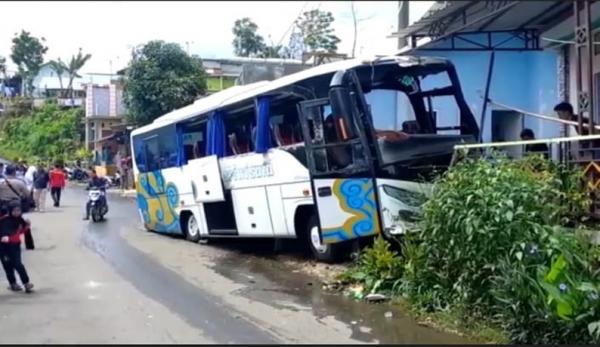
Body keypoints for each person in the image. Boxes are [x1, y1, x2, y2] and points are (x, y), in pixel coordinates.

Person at [0, 201, 34, 293]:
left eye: (18, 210)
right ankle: (13, 283)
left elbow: (20, 231)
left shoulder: (20, 220)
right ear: (10, 211)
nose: (17, 212)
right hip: (3, 248)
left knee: (18, 264)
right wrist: (4, 237)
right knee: (8, 266)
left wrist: (27, 226)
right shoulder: (3, 220)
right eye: (14, 211)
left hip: (15, 246)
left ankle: (26, 283)